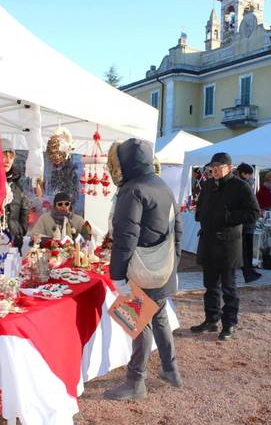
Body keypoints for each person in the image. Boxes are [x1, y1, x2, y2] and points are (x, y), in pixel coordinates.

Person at [103, 138, 183, 401]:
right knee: (158, 317)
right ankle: (170, 369)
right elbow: (177, 229)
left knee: (138, 323)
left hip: (141, 269)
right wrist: (174, 264)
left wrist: (117, 275)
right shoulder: (163, 186)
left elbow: (126, 236)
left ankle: (135, 382)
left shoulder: (132, 190)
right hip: (162, 267)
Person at [190, 153, 259, 341]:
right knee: (210, 286)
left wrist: (228, 217)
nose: (215, 169)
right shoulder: (208, 185)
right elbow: (201, 206)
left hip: (228, 245)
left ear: (229, 167)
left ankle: (229, 324)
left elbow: (253, 213)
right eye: (213, 166)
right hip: (208, 242)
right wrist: (201, 214)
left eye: (219, 166)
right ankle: (211, 320)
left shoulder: (240, 187)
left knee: (229, 288)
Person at [236, 163, 262, 283]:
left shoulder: (243, 184)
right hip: (245, 222)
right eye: (249, 174)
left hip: (247, 222)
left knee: (247, 249)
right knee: (246, 249)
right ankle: (248, 272)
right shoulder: (242, 185)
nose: (251, 177)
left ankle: (249, 270)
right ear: (243, 174)